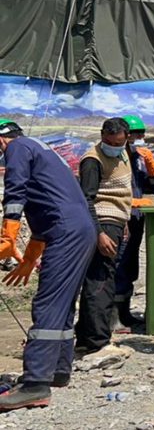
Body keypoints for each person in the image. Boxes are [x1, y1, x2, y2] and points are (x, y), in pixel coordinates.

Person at [0, 119, 96, 411]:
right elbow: (46, 209)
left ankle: (35, 384)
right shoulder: (40, 150)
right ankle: (57, 370)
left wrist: (7, 236)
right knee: (63, 303)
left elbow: (15, 192)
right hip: (77, 230)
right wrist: (29, 258)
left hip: (66, 231)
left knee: (48, 305)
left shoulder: (16, 148)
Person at [75, 118, 133, 354]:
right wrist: (99, 233)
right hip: (102, 224)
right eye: (108, 141)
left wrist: (124, 219)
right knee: (101, 281)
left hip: (115, 222)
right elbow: (87, 199)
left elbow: (120, 192)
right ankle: (97, 341)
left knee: (102, 279)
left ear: (126, 138)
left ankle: (86, 337)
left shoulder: (122, 153)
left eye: (117, 142)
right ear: (102, 135)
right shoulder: (92, 160)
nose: (113, 145)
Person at [112, 115, 154, 330]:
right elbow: (108, 191)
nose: (140, 139)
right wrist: (131, 201)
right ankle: (112, 318)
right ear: (126, 136)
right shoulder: (113, 160)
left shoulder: (140, 159)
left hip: (137, 221)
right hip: (119, 221)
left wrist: (152, 167)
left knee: (130, 267)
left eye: (142, 135)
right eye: (136, 135)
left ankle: (125, 313)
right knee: (118, 266)